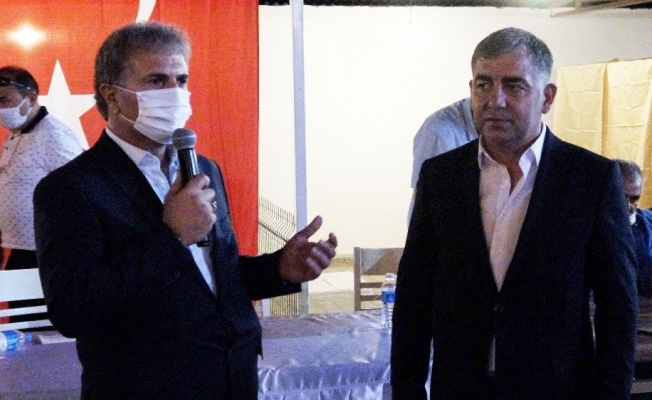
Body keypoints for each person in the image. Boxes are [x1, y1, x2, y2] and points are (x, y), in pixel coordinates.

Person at [33, 22, 338, 400]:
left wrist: (279, 268)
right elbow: (73, 309)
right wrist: (172, 237)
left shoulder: (203, 168)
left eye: (181, 80)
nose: (175, 94)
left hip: (233, 377)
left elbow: (212, 276)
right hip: (148, 388)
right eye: (157, 81)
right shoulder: (70, 188)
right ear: (112, 95)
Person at [391, 27, 638, 399]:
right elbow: (414, 295)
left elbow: (617, 307)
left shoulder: (591, 179)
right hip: (460, 387)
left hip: (555, 389)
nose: (496, 100)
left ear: (547, 97)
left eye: (514, 86)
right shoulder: (441, 176)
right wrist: (407, 390)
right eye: (484, 85)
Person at [0, 66, 83, 324]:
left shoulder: (53, 135)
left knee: (46, 334)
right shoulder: (14, 136)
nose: (0, 109)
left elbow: (81, 191)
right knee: (22, 329)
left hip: (50, 255)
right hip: (20, 250)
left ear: (32, 98)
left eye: (5, 100)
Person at [409, 98, 478, 219]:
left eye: (511, 88)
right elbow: (428, 214)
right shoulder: (440, 134)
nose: (498, 101)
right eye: (484, 88)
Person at [615, 159, 652, 300]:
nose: (628, 206)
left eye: (634, 199)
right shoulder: (589, 227)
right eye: (622, 197)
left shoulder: (648, 222)